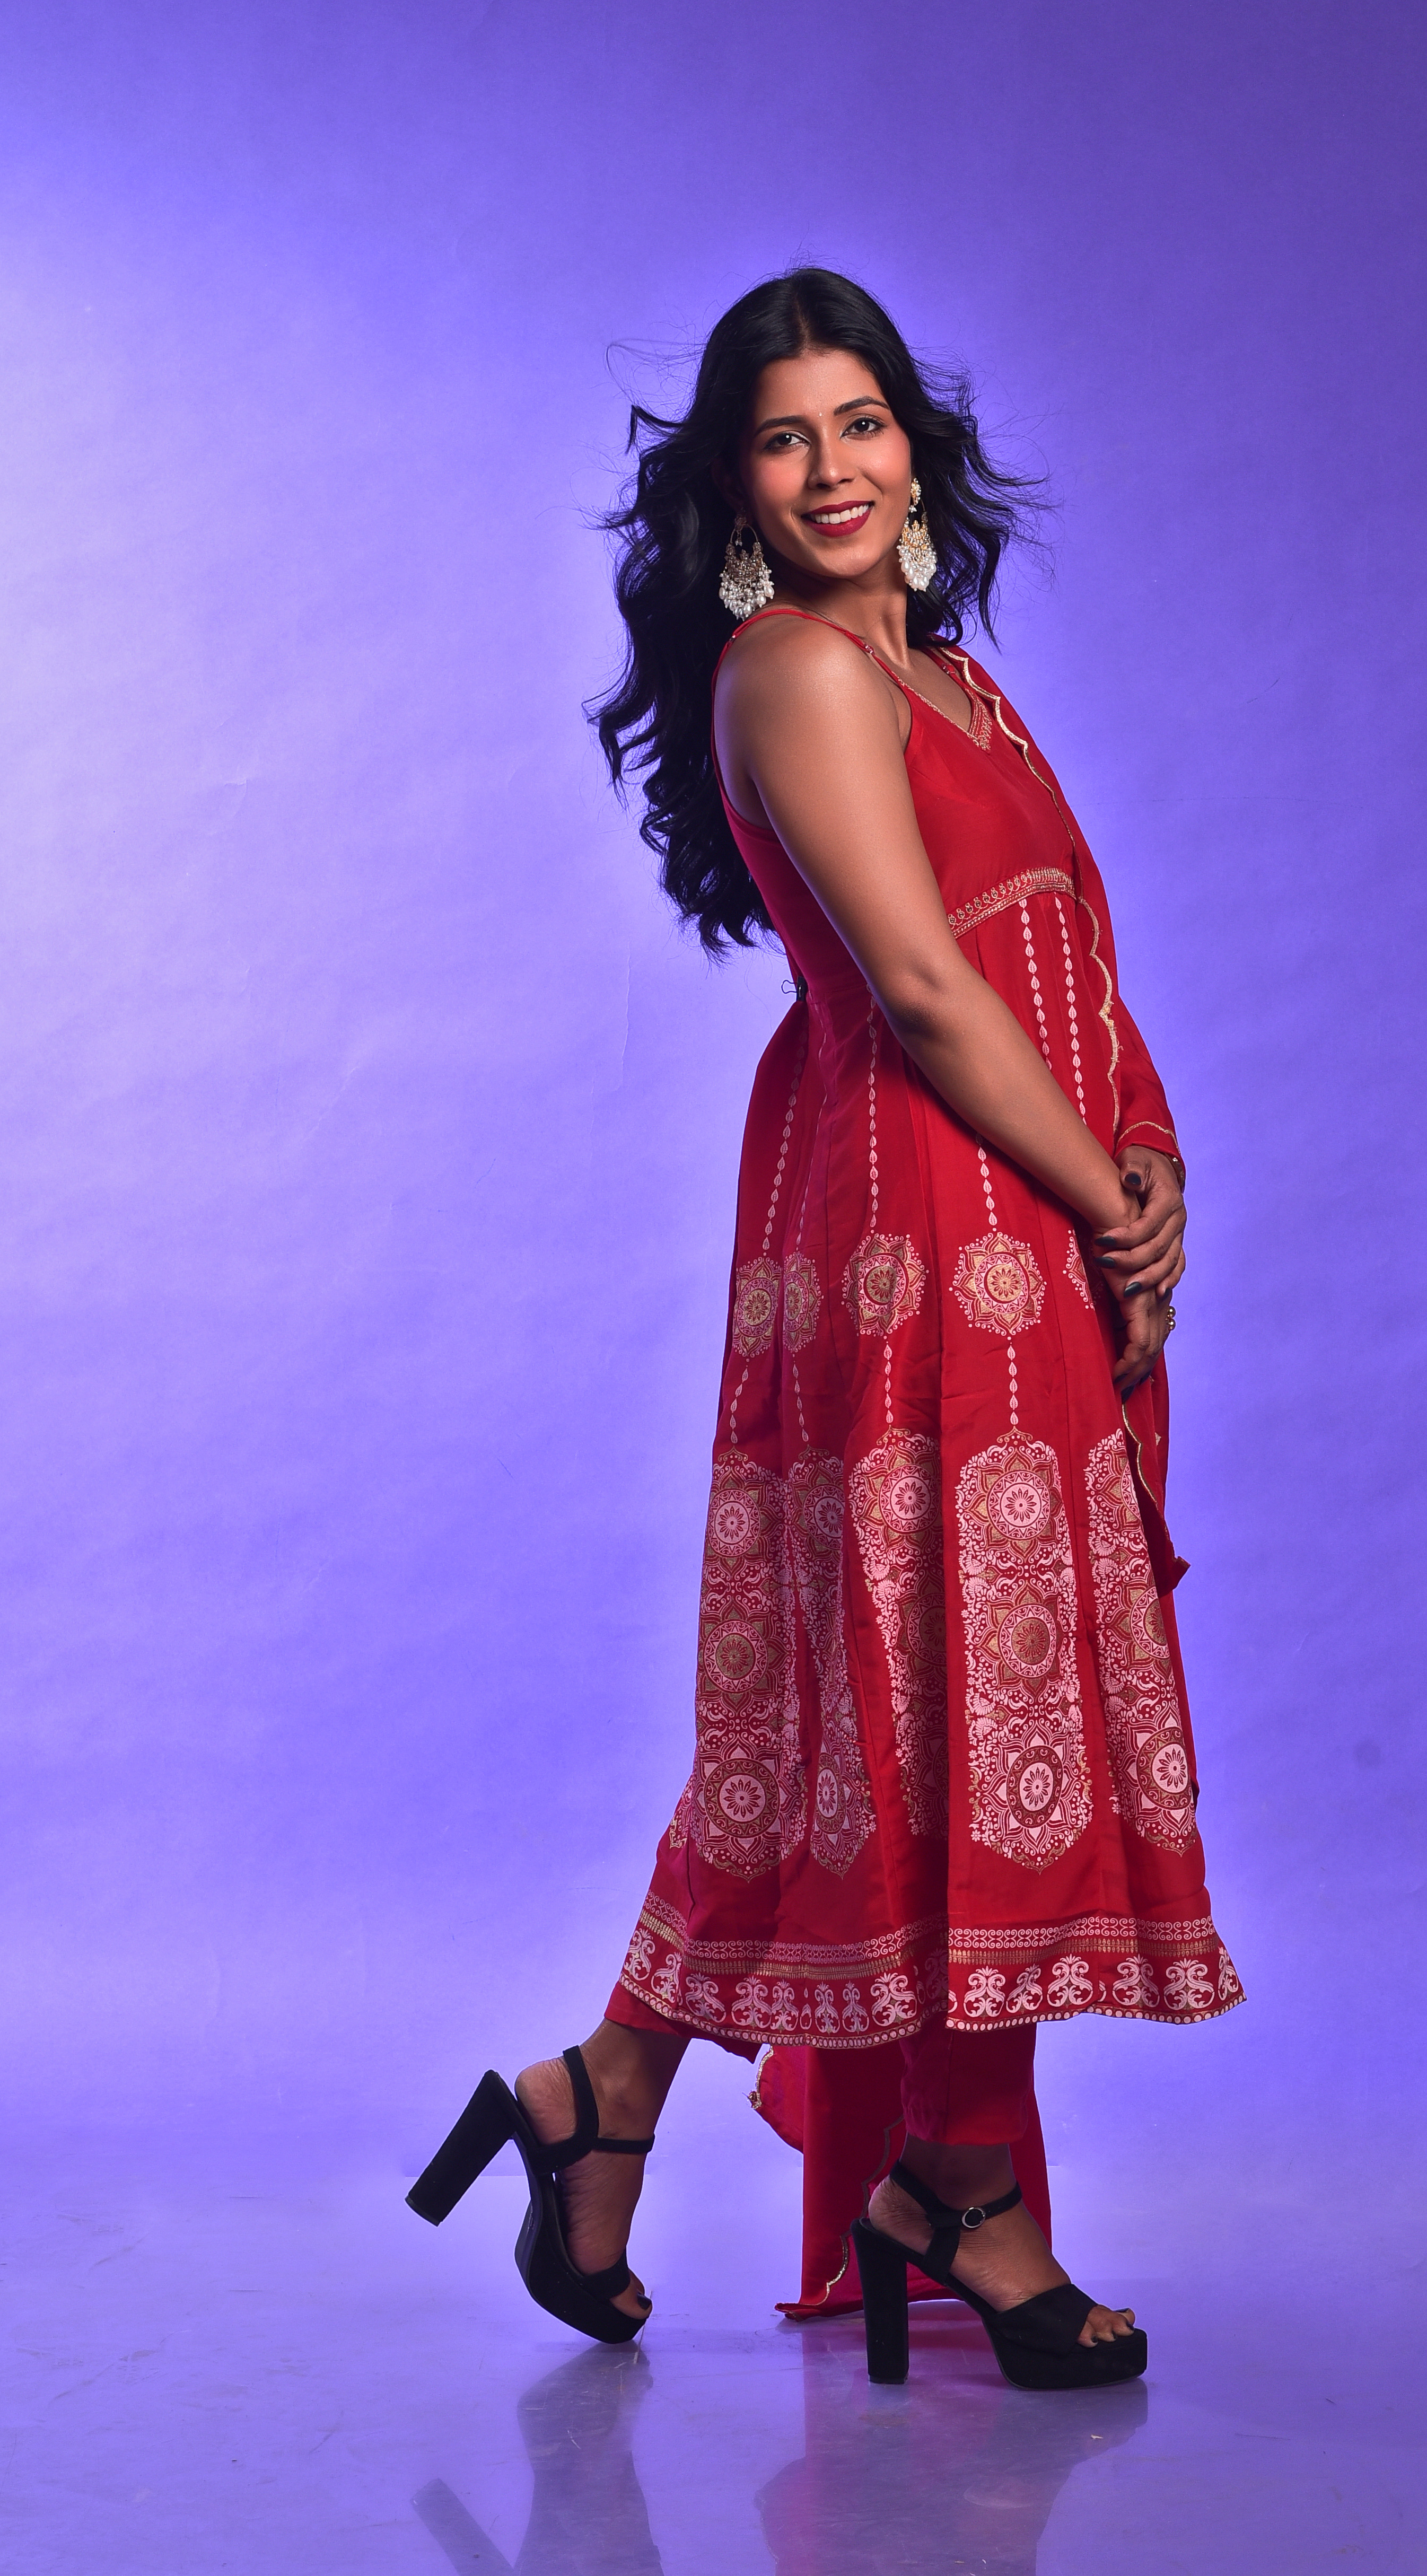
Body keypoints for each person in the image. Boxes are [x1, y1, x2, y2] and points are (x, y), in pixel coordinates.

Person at [408, 270, 1240, 2390]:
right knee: (910, 1704)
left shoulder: (957, 682)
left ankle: (612, 2097)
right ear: (735, 491)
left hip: (1022, 1214)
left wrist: (1145, 1178)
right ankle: (949, 2186)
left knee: (908, 1711)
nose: (833, 466)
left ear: (913, 451)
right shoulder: (789, 668)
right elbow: (928, 992)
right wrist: (1097, 1197)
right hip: (914, 1229)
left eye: (860, 421)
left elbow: (1063, 964)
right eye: (783, 438)